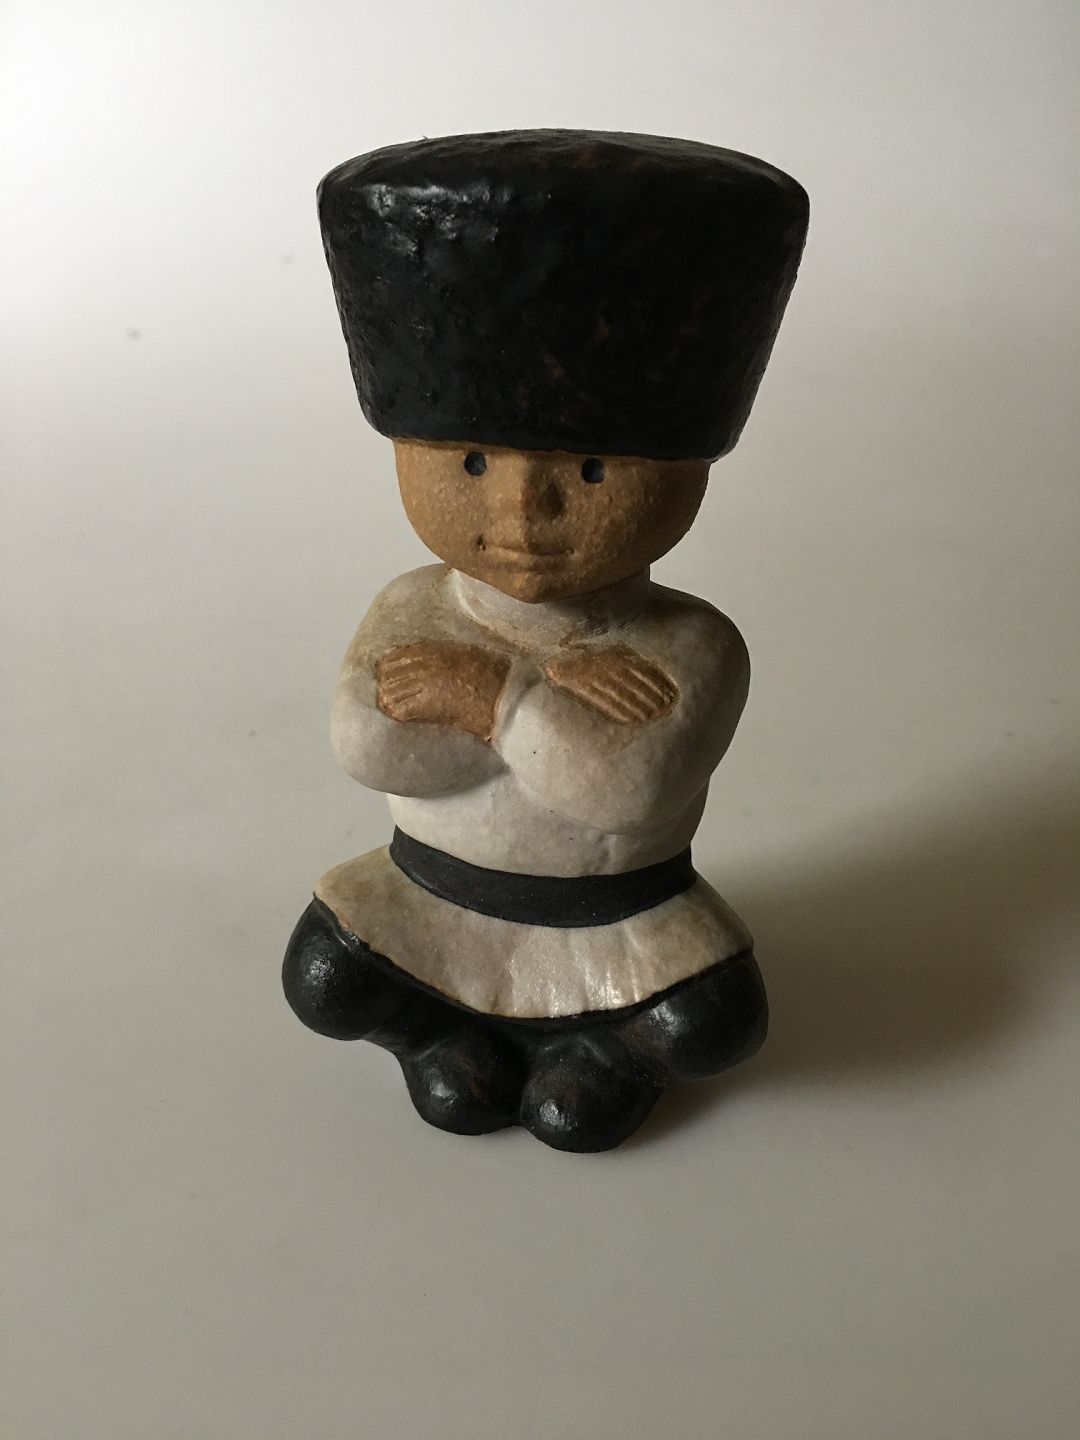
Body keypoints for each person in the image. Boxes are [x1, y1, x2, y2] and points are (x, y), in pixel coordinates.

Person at [283, 130, 809, 1151]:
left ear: (686, 473)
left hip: (617, 923)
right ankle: (440, 1040)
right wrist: (542, 720)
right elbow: (374, 747)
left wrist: (492, 702)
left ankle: (606, 1058)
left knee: (712, 1022)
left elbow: (626, 790)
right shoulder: (415, 602)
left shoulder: (696, 642)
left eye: (594, 472)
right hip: (430, 898)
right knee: (325, 976)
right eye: (473, 463)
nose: (526, 512)